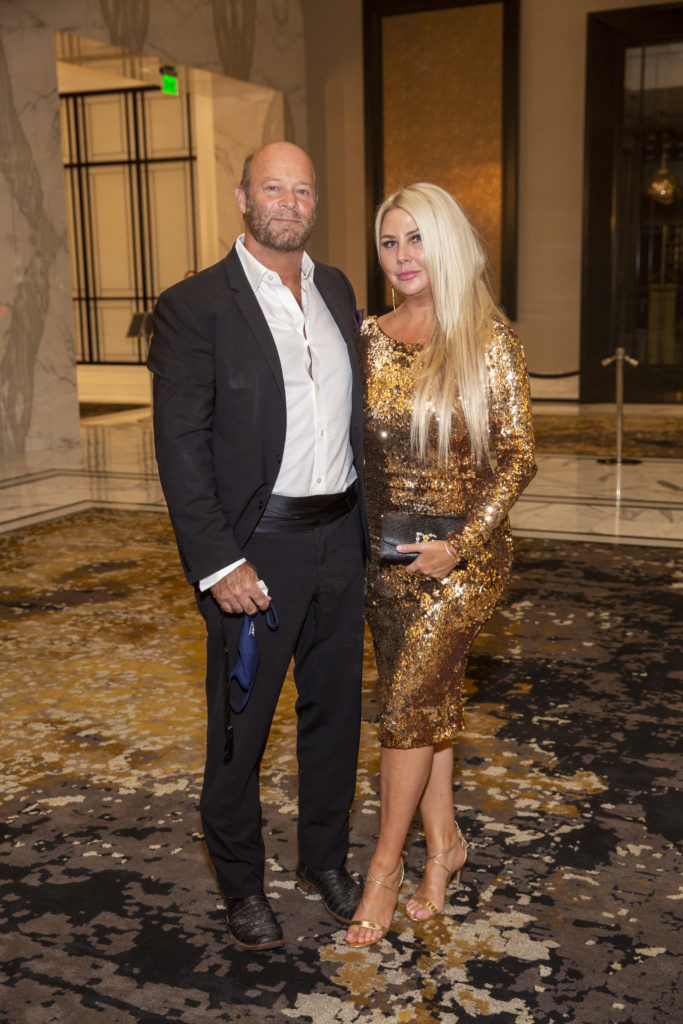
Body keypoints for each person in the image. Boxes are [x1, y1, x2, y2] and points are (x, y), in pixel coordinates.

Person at [148, 142, 368, 952]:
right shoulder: (194, 304)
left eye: (302, 189)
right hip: (255, 554)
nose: (289, 202)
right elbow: (181, 447)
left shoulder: (336, 287)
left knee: (335, 716)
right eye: (273, 187)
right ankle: (240, 883)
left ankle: (324, 861)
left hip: (340, 539)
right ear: (243, 197)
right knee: (240, 729)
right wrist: (218, 562)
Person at [345, 183, 536, 947]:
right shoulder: (367, 337)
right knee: (425, 707)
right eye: (389, 242)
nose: (401, 256)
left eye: (416, 238)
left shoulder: (486, 339)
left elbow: (517, 456)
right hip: (385, 559)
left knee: (402, 715)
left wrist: (461, 544)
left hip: (460, 562)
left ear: (446, 242)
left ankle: (384, 869)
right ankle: (445, 849)